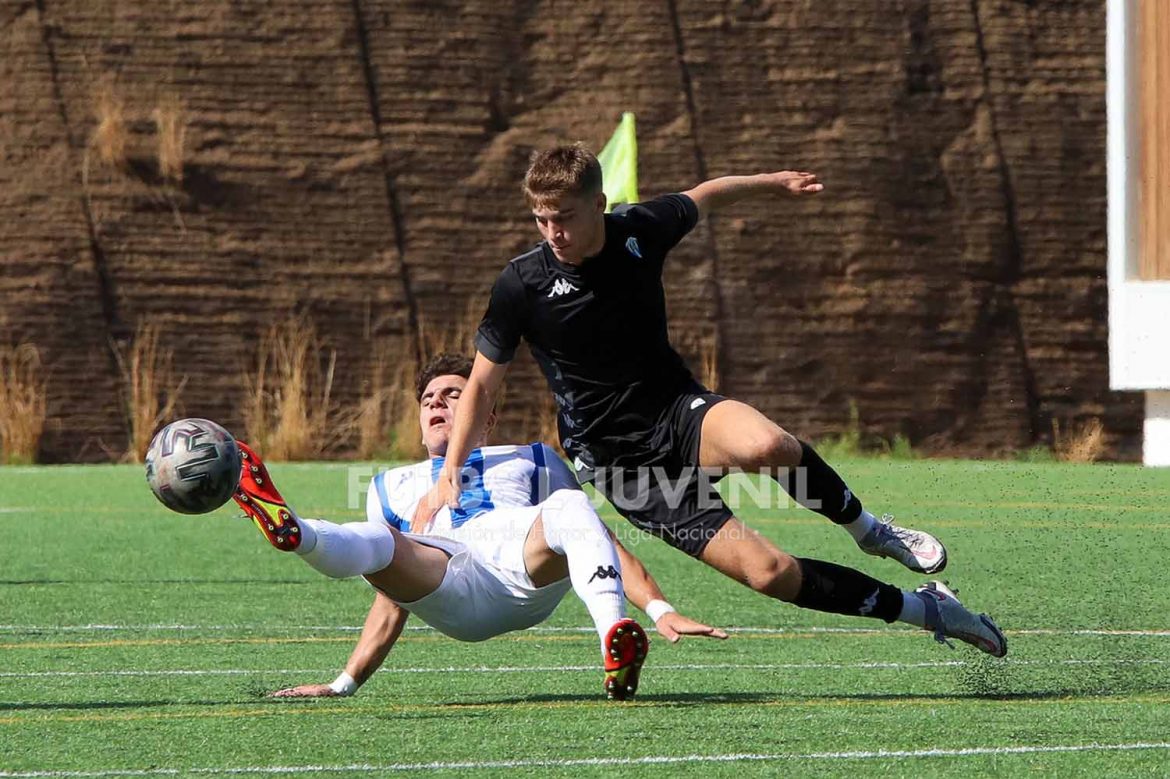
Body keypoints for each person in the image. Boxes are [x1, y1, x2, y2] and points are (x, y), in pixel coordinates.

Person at [412, 144, 1007, 658]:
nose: (552, 232)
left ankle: (872, 531)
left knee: (768, 445)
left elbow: (707, 193)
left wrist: (772, 184)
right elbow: (484, 384)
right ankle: (926, 610)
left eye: (563, 217)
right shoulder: (522, 282)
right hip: (618, 462)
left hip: (674, 408)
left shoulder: (640, 230)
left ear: (599, 203)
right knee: (769, 573)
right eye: (541, 220)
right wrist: (450, 475)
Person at [233, 353, 728, 702]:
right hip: (445, 582)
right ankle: (297, 533)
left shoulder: (531, 458)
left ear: (485, 415)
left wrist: (660, 608)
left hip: (518, 568)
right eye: (428, 398)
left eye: (453, 395)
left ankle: (614, 640)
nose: (436, 404)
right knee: (381, 542)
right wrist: (344, 683)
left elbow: (601, 541)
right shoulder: (389, 484)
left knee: (569, 507)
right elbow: (390, 599)